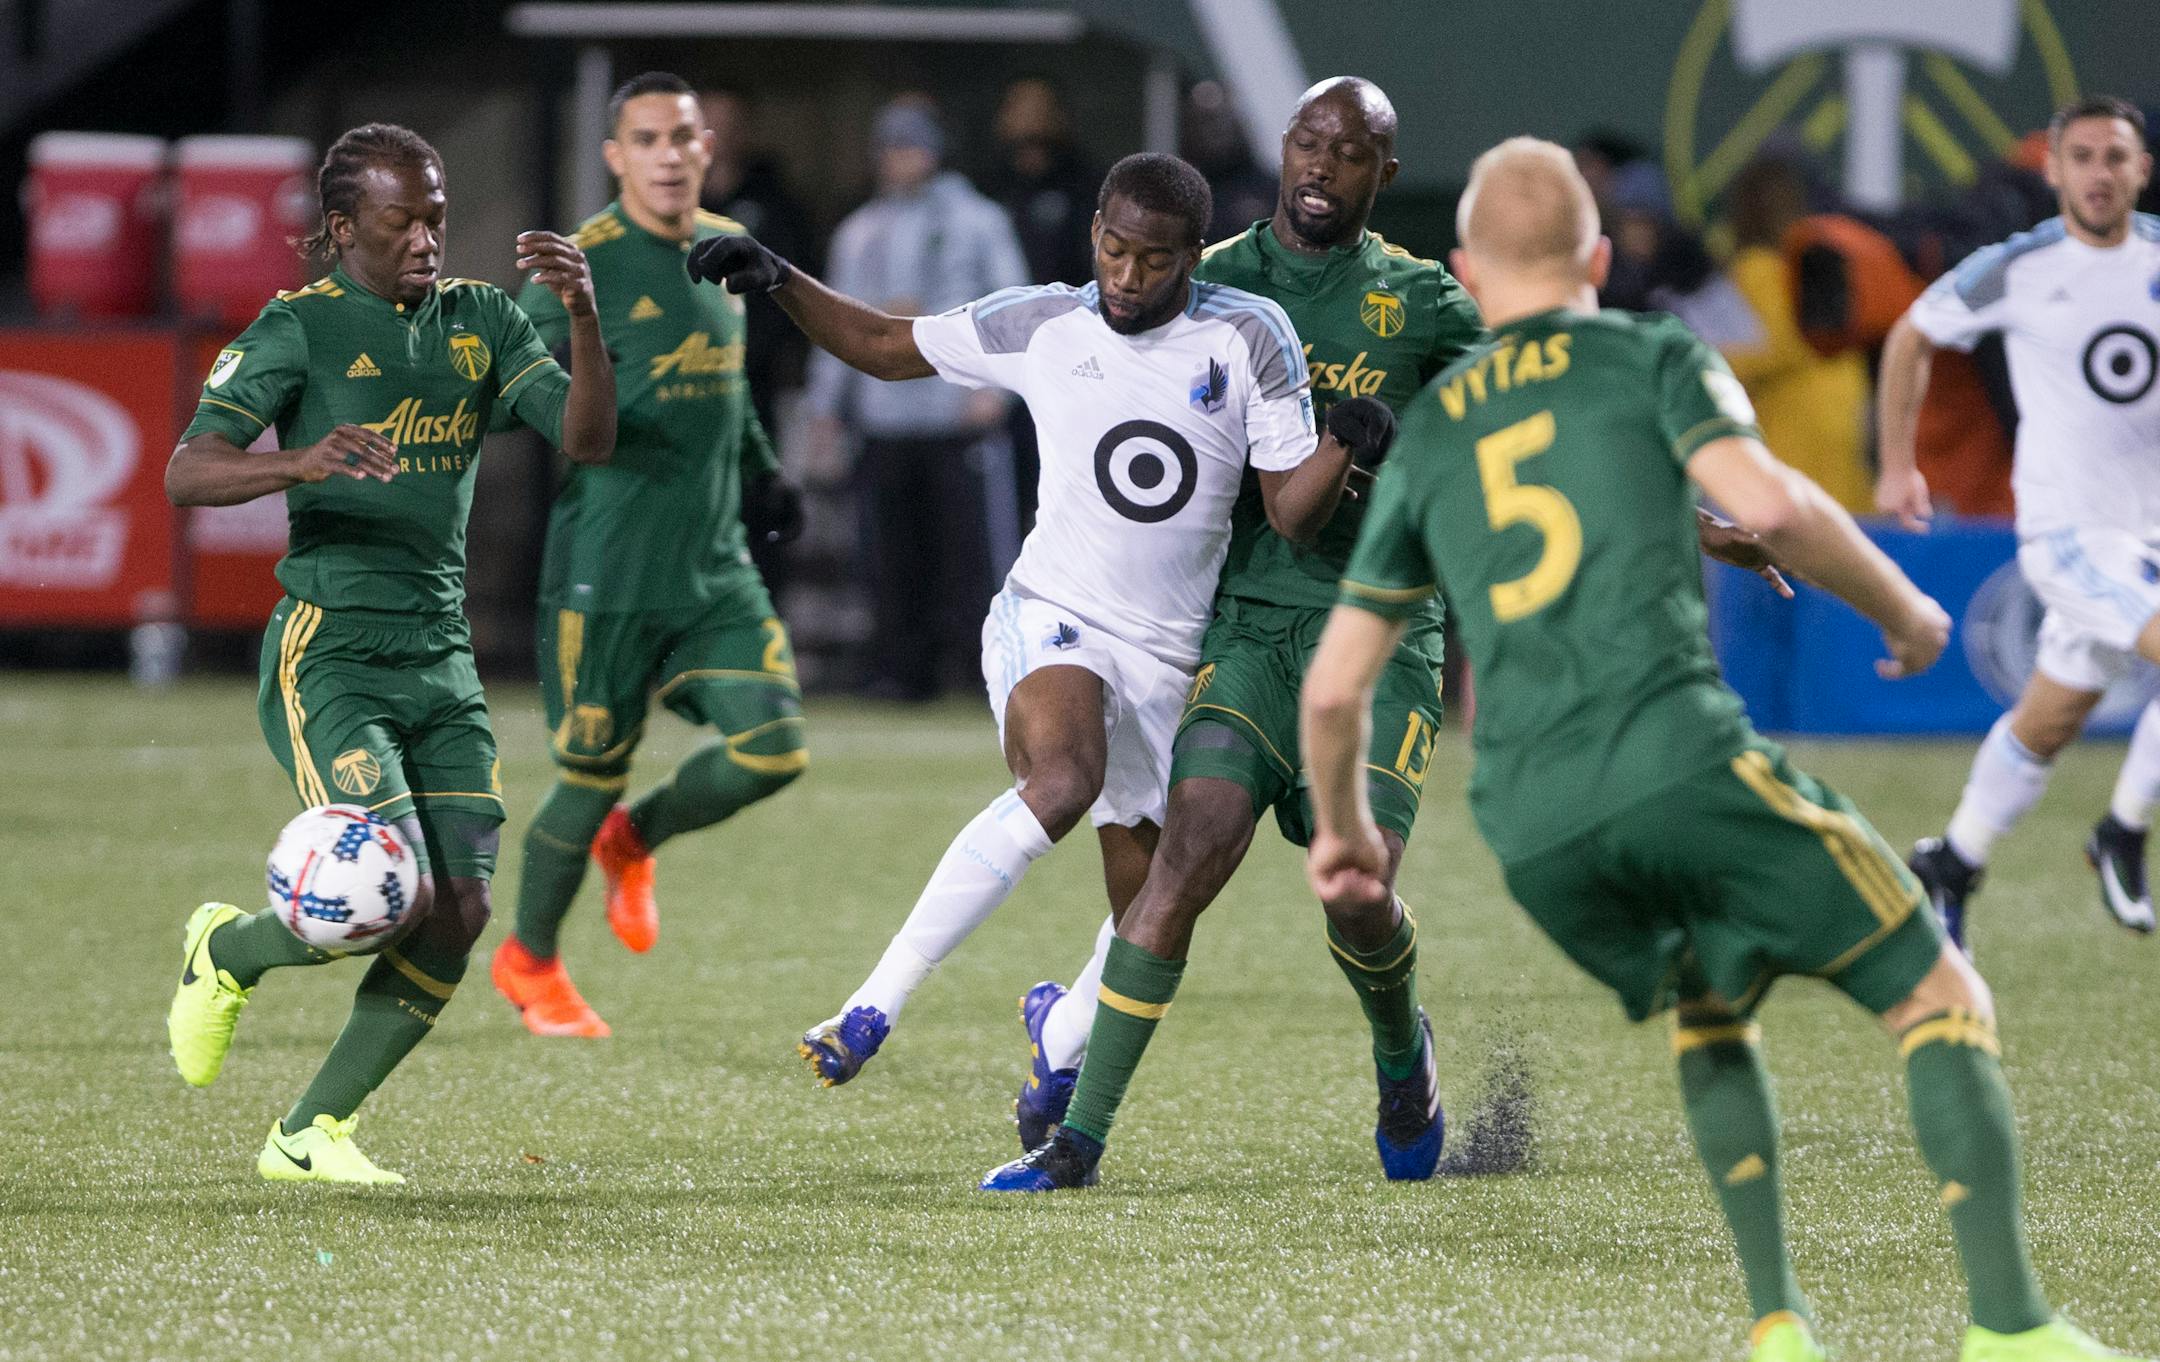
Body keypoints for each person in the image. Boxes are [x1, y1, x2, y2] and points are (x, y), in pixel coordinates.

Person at [1301, 135, 2142, 1362]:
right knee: (1940, 993)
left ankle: (1777, 1328)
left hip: (1531, 826)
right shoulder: (1648, 353)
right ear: (1598, 258)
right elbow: (1777, 504)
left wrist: (1343, 838)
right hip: (1670, 759)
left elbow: (1336, 692)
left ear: (1469, 273)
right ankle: (2012, 1329)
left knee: (1711, 1000)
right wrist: (1907, 613)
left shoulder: (1428, 434)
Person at [684, 153, 1389, 1087]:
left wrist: (1341, 444)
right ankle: (870, 1006)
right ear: (1095, 229)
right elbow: (887, 346)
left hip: (1171, 659)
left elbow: (1292, 514)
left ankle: (1060, 1041)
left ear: (1192, 257)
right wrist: (780, 277)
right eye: (1114, 249)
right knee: (1062, 780)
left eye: (1155, 261)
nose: (1127, 276)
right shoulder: (1044, 321)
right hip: (1054, 614)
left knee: (1156, 914)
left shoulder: (1249, 336)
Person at [977, 77, 1484, 1193]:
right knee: (1185, 854)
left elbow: (1531, 430)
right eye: (1307, 142)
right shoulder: (1210, 282)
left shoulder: (1426, 302)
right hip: (1247, 627)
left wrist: (1684, 519)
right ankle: (1076, 1140)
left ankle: (1402, 1055)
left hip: (1380, 635)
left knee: (1355, 890)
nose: (1321, 165)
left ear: (1384, 174)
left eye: (1348, 151)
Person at [163, 123, 615, 1182]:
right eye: (400, 221)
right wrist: (301, 462)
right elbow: (189, 471)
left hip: (441, 659)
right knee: (394, 894)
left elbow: (586, 438)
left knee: (461, 908)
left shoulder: (482, 320)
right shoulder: (300, 328)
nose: (425, 239)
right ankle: (227, 951)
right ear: (341, 229)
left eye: (436, 219)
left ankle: (308, 1133)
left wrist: (586, 317)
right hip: (332, 653)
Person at [490, 72, 808, 1038]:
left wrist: (764, 468)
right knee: (590, 775)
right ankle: (529, 961)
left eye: (683, 136)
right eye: (647, 139)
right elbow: (518, 393)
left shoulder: (727, 250)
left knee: (774, 750)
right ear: (615, 156)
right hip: (609, 574)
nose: (668, 154)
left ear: (708, 147)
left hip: (714, 571)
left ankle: (636, 840)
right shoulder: (578, 266)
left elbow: (727, 386)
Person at [1880, 96, 2160, 949]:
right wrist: (1896, 464)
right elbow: (1912, 335)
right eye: (2083, 157)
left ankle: (1952, 861)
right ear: (2055, 170)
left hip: (2148, 535)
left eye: (2115, 157)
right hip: (2070, 535)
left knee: (2048, 722)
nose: (2100, 174)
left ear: (2142, 169)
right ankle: (2123, 827)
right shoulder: (2019, 267)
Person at [803, 96, 1028, 700]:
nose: (899, 160)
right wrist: (826, 409)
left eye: (909, 147)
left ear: (932, 151)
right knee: (888, 556)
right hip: (883, 417)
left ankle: (979, 670)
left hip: (955, 414)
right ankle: (900, 671)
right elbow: (835, 324)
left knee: (969, 555)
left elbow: (1013, 304)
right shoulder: (860, 230)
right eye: (890, 149)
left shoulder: (978, 220)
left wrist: (998, 390)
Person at [1718, 156, 1874, 515]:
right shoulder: (1772, 270)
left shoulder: (1773, 270)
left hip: (1812, 448)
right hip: (1812, 445)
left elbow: (1766, 349)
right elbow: (1769, 349)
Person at [697, 88, 817, 437]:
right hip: (681, 371)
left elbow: (800, 280)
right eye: (708, 124)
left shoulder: (776, 205)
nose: (717, 135)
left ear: (746, 130)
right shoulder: (673, 203)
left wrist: (776, 352)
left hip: (757, 375)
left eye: (727, 124)